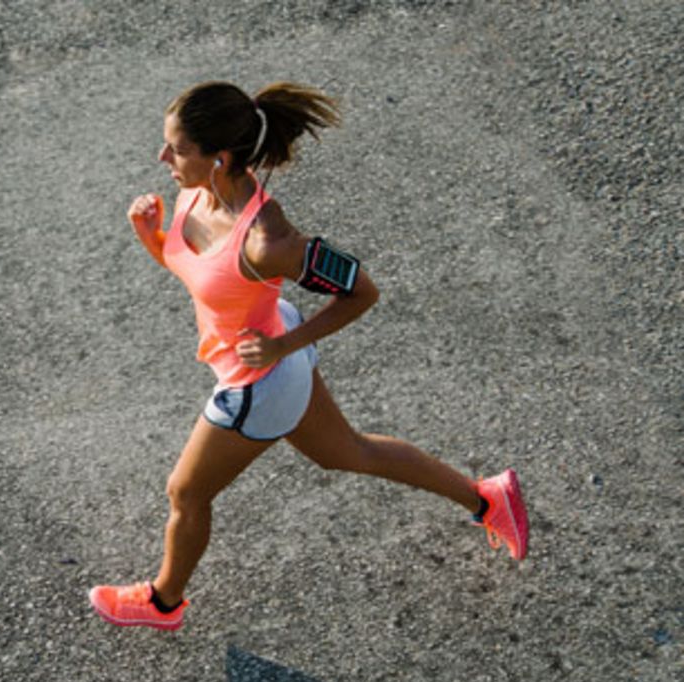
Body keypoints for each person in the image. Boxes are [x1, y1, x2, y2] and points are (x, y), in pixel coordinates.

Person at [88, 81, 529, 631]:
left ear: (219, 157)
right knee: (349, 452)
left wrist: (280, 346)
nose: (162, 158)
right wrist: (149, 236)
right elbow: (200, 278)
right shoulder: (193, 195)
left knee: (186, 491)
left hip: (260, 381)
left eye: (175, 148)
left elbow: (363, 291)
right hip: (267, 356)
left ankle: (162, 602)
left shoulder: (269, 241)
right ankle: (489, 499)